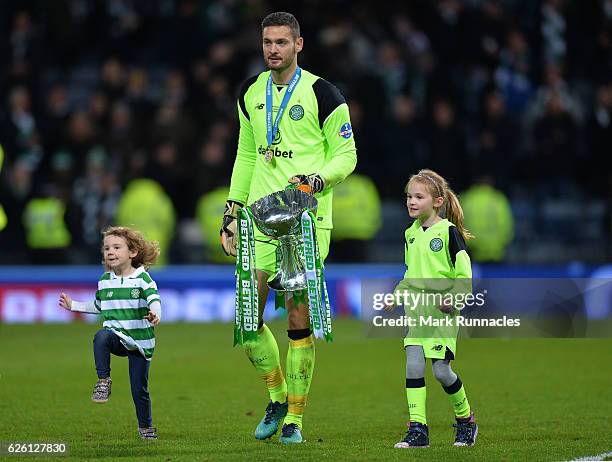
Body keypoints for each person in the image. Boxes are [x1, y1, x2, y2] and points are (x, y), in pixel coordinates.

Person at [220, 11, 357, 444]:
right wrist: (231, 210)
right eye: (267, 43)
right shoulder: (250, 92)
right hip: (259, 218)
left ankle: (295, 418)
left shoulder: (324, 94)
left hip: (304, 220)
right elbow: (246, 156)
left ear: (299, 44)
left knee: (299, 320)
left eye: (282, 42)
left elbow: (346, 156)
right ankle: (277, 396)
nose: (273, 49)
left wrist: (318, 180)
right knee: (247, 318)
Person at [387, 169, 478, 448]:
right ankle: (418, 430)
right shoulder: (410, 235)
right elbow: (409, 273)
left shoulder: (449, 233)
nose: (411, 202)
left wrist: (456, 299)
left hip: (442, 313)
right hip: (416, 312)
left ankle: (466, 421)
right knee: (413, 366)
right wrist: (397, 295)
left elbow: (464, 273)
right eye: (408, 197)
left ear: (437, 201)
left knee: (441, 371)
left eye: (418, 196)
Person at [58, 226, 162, 440]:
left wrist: (154, 314)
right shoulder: (105, 280)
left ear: (132, 252)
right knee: (102, 336)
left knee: (139, 390)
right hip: (117, 337)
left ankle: (145, 428)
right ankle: (103, 381)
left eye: (116, 247)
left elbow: (154, 300)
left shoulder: (143, 279)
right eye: (106, 248)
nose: (110, 252)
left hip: (140, 342)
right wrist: (73, 305)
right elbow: (99, 306)